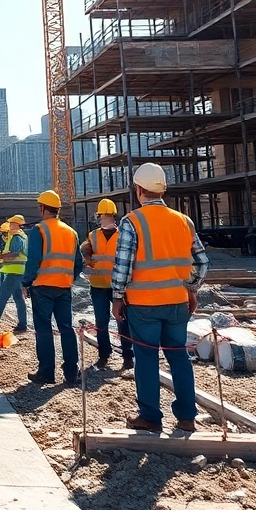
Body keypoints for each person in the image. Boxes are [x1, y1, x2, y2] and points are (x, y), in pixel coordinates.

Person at [111, 163, 210, 433]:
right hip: (177, 302)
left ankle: (151, 417)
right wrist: (191, 289)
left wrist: (117, 297)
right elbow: (201, 263)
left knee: (146, 358)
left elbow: (123, 265)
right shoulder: (183, 220)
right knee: (178, 357)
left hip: (143, 305)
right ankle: (187, 417)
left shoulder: (132, 221)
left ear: (139, 189)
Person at [23, 191, 82, 386]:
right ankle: (72, 373)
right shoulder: (71, 232)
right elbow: (78, 263)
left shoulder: (39, 230)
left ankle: (47, 372)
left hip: (42, 287)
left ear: (42, 208)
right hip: (64, 287)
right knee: (66, 328)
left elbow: (33, 262)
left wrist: (26, 283)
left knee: (44, 330)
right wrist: (67, 277)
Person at [80, 200, 132, 371]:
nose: (102, 218)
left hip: (116, 286)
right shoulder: (93, 235)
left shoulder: (122, 235)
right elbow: (86, 251)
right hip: (99, 285)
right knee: (102, 322)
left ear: (102, 215)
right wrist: (86, 257)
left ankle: (126, 356)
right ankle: (105, 355)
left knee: (121, 321)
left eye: (102, 215)